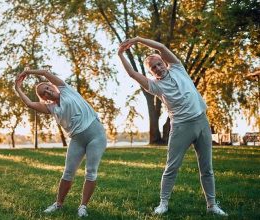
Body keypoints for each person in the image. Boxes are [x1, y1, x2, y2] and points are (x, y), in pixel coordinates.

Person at [117, 37, 228, 216]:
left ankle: (212, 205)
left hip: (201, 122)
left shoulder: (177, 68)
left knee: (206, 168)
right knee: (172, 167)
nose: (158, 68)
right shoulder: (155, 86)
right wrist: (121, 54)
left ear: (164, 62)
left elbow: (161, 47)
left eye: (159, 64)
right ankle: (163, 203)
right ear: (151, 72)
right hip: (181, 127)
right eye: (154, 68)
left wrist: (137, 39)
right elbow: (131, 73)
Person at [15, 69, 107, 217]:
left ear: (52, 86)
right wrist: (18, 88)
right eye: (43, 93)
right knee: (68, 172)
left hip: (96, 135)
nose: (47, 91)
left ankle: (83, 206)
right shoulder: (51, 108)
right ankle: (58, 204)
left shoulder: (66, 90)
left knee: (91, 171)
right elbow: (30, 104)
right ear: (44, 98)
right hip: (77, 139)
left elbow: (45, 72)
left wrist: (28, 71)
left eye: (47, 87)